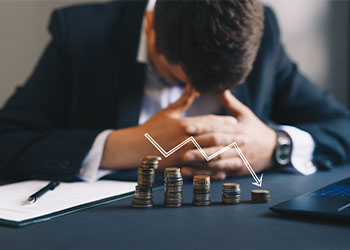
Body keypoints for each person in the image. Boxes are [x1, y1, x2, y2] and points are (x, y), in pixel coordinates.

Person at [0, 0, 349, 182]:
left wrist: (276, 147)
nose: (195, 94)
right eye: (180, 79)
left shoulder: (264, 31)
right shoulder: (79, 35)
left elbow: (341, 126)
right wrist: (120, 147)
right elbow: (7, 140)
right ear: (150, 27)